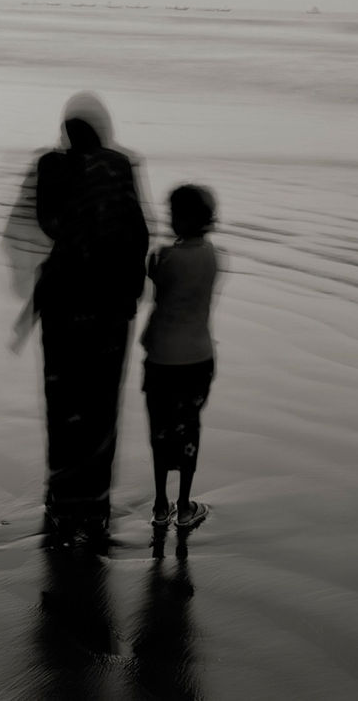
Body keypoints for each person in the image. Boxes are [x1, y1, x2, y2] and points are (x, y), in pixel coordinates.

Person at [32, 92, 150, 544]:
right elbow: (137, 232)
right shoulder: (120, 166)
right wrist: (133, 289)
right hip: (110, 303)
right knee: (101, 401)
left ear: (66, 131)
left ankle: (62, 499)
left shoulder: (51, 167)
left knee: (63, 400)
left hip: (63, 298)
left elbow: (47, 223)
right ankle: (96, 502)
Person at [140, 185, 220, 529]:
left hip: (162, 359)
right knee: (189, 430)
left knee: (160, 431)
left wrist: (154, 272)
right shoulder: (214, 255)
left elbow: (162, 298)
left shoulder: (165, 258)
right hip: (198, 358)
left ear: (184, 218)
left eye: (173, 213)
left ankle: (160, 504)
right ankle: (185, 505)